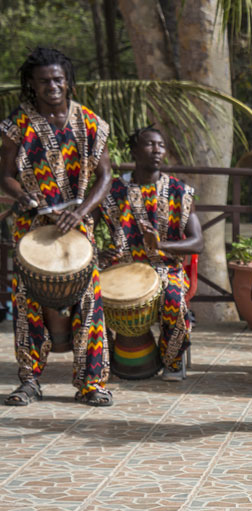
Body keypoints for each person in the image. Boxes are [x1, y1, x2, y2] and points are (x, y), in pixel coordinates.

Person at [0, 47, 113, 406]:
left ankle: (91, 383)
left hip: (78, 228)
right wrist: (23, 197)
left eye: (58, 79)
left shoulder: (91, 123)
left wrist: (80, 213)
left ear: (68, 82)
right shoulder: (18, 123)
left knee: (90, 304)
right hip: (33, 228)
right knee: (27, 303)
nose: (52, 85)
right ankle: (30, 380)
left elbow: (106, 175)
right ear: (32, 85)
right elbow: (5, 175)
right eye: (44, 80)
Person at [99, 126, 204, 380]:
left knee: (173, 298)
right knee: (92, 298)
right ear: (134, 150)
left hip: (165, 267)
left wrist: (161, 246)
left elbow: (197, 242)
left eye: (161, 145)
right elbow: (87, 224)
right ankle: (103, 359)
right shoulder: (112, 191)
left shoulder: (179, 191)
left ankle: (173, 360)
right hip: (121, 265)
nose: (157, 150)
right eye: (149, 145)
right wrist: (94, 251)